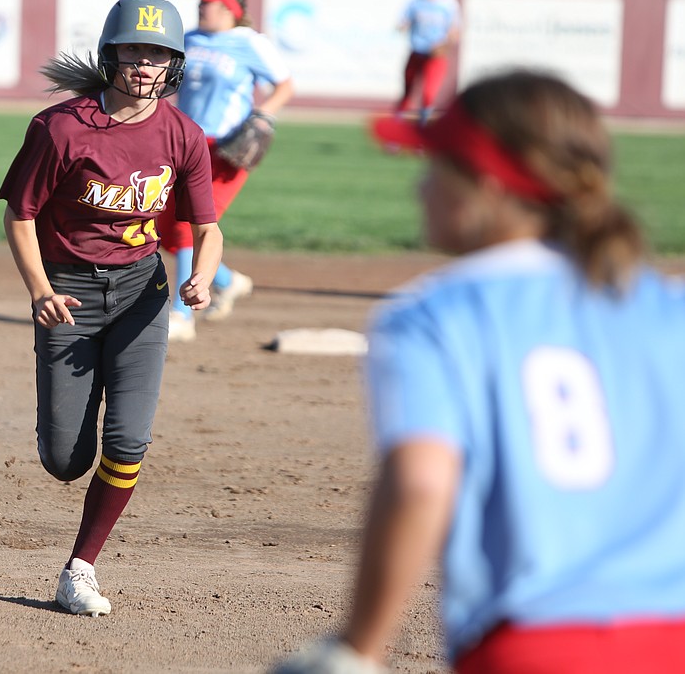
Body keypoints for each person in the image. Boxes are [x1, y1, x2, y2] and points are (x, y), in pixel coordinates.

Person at [273, 69, 685, 673]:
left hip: (529, 649)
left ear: (487, 187)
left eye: (437, 168)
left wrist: (359, 650)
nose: (421, 189)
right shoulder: (665, 306)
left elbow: (421, 484)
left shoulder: (433, 313)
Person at [0, 0, 223, 617]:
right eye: (133, 50)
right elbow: (20, 216)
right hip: (67, 295)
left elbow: (208, 228)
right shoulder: (60, 128)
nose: (145, 64)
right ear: (110, 56)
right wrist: (40, 290)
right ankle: (70, 418)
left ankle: (80, 568)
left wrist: (201, 277)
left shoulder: (184, 135)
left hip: (140, 295)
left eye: (158, 53)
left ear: (173, 63)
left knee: (127, 440)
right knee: (65, 460)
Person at [155, 0, 294, 343]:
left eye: (209, 2)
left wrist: (264, 116)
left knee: (189, 226)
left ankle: (182, 316)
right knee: (165, 229)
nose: (202, 7)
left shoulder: (249, 43)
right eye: (200, 2)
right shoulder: (189, 39)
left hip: (224, 150)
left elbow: (284, 85)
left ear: (230, 9)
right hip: (184, 143)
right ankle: (229, 282)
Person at [394, 0, 461, 127]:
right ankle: (396, 132)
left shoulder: (448, 3)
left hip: (436, 56)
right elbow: (402, 24)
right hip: (417, 52)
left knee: (428, 94)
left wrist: (444, 45)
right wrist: (403, 25)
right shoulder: (415, 0)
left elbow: (455, 32)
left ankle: (423, 135)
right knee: (407, 93)